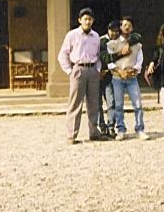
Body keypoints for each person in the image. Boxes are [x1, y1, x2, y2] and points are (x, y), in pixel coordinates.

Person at [57, 8, 109, 144]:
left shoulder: (96, 36)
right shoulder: (72, 35)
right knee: (75, 103)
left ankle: (94, 132)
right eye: (85, 19)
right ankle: (71, 135)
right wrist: (69, 71)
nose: (87, 21)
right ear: (80, 20)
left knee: (94, 103)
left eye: (90, 19)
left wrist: (98, 69)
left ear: (93, 21)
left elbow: (98, 55)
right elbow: (63, 54)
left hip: (92, 70)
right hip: (78, 69)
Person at [98, 20, 144, 137]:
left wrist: (134, 69)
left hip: (131, 77)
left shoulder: (136, 42)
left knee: (137, 104)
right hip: (114, 77)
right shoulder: (108, 42)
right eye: (124, 25)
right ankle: (118, 128)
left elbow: (140, 59)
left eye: (129, 25)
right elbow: (108, 59)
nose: (127, 27)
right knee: (115, 105)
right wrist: (120, 70)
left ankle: (139, 129)